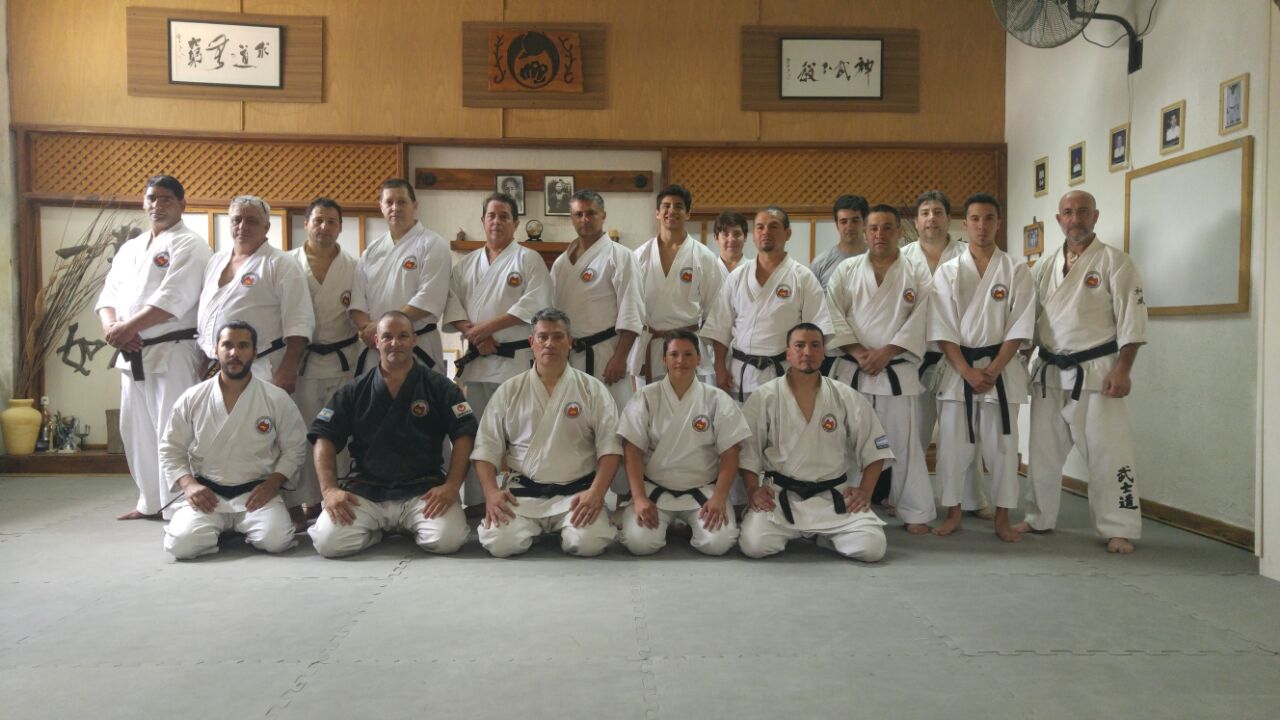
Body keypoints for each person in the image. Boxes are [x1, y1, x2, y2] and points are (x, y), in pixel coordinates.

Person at [1018, 190, 1147, 554]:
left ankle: (1118, 527)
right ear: (1059, 219)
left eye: (1083, 211)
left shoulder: (1116, 262)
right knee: (1041, 451)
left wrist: (1123, 369)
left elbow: (1132, 320)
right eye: (1068, 212)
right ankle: (1038, 517)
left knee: (1108, 452)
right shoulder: (1044, 266)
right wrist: (1020, 358)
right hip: (1048, 371)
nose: (1075, 219)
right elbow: (1031, 320)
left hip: (1096, 371)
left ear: (1095, 216)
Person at [307, 311, 476, 557]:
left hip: (422, 490)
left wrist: (451, 485)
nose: (395, 343)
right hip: (367, 491)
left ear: (414, 340)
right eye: (387, 337)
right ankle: (378, 531)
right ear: (376, 341)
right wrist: (329, 490)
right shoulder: (355, 389)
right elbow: (324, 436)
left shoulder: (439, 387)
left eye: (403, 336)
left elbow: (464, 434)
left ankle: (406, 525)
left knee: (448, 540)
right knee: (328, 542)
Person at [96, 174, 211, 520]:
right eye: (152, 198)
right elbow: (108, 295)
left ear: (182, 205)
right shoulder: (131, 248)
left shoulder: (191, 245)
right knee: (135, 430)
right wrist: (112, 328)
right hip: (131, 352)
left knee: (173, 430)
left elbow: (174, 298)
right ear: (143, 203)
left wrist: (127, 328)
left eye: (166, 199)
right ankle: (149, 501)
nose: (157, 205)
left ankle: (179, 504)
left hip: (172, 350)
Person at [929, 194, 1035, 542]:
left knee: (1003, 448)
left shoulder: (1016, 270)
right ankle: (954, 513)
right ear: (965, 224)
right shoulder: (948, 271)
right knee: (952, 448)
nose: (982, 226)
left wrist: (993, 370)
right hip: (958, 370)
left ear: (998, 223)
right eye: (975, 219)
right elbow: (942, 327)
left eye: (989, 218)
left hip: (1001, 373)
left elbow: (1020, 326)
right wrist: (967, 371)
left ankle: (1002, 518)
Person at [472, 308, 621, 557]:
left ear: (570, 342)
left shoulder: (592, 389)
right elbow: (485, 448)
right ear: (532, 342)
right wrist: (491, 493)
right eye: (543, 337)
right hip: (522, 495)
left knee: (589, 543)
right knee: (500, 543)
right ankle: (530, 526)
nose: (549, 343)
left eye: (558, 336)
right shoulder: (510, 390)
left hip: (577, 495)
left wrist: (596, 493)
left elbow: (611, 447)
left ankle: (565, 526)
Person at [738, 323, 893, 561]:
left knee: (872, 548)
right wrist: (753, 491)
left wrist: (865, 491)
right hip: (780, 495)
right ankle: (813, 533)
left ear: (824, 352)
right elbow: (748, 451)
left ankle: (822, 536)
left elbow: (875, 447)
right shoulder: (764, 396)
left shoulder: (845, 395)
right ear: (788, 353)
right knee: (754, 545)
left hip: (833, 496)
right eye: (799, 346)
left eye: (815, 346)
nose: (807, 352)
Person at [825, 204, 936, 533]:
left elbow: (923, 317)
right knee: (847, 442)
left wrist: (887, 352)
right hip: (853, 369)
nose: (879, 234)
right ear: (865, 232)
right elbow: (832, 313)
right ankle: (845, 505)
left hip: (896, 371)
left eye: (887, 227)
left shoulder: (916, 272)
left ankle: (914, 510)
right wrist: (859, 352)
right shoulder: (846, 271)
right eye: (873, 228)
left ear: (899, 231)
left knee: (904, 444)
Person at [160, 321, 306, 559]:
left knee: (277, 540)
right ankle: (221, 528)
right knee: (181, 546)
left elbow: (295, 448)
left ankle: (228, 529)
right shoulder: (193, 397)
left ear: (255, 352)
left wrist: (273, 483)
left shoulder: (275, 398)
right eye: (227, 345)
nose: (234, 353)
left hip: (256, 495)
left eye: (243, 346)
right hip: (208, 495)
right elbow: (170, 447)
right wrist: (188, 485)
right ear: (216, 350)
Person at [444, 193, 552, 504]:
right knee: (479, 432)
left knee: (521, 433)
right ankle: (479, 500)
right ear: (483, 221)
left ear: (515, 223)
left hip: (514, 361)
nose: (496, 222)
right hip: (478, 362)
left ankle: (523, 498)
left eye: (504, 216)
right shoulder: (465, 265)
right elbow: (452, 304)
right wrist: (476, 335)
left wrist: (486, 329)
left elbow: (536, 303)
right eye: (491, 216)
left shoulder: (528, 259)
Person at [617, 330, 750, 556]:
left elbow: (730, 453)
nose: (681, 360)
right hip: (654, 490)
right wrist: (638, 498)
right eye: (674, 354)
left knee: (717, 544)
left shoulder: (716, 399)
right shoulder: (646, 397)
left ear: (699, 359)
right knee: (640, 544)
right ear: (664, 359)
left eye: (688, 354)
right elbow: (632, 450)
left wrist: (719, 497)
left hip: (704, 491)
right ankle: (671, 525)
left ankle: (686, 526)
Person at [901, 190, 991, 519]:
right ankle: (909, 499)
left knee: (965, 433)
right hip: (917, 357)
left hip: (960, 357)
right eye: (925, 212)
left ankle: (973, 499)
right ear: (916, 221)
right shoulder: (902, 257)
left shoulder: (969, 255)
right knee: (914, 433)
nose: (931, 218)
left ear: (949, 219)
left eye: (938, 212)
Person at [703, 206, 831, 403]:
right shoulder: (737, 277)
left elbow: (816, 331)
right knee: (742, 423)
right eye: (760, 227)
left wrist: (807, 373)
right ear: (753, 235)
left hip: (784, 374)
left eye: (773, 226)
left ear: (788, 233)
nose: (766, 232)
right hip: (740, 375)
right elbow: (720, 328)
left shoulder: (803, 277)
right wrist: (720, 368)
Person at [286, 198, 359, 531]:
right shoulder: (287, 263)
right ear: (306, 224)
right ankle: (308, 500)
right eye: (318, 221)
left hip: (344, 360)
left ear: (340, 227)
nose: (324, 227)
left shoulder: (354, 266)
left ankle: (339, 494)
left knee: (342, 431)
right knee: (303, 431)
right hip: (302, 360)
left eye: (331, 222)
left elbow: (360, 311)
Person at [196, 195, 313, 392]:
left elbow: (299, 321)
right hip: (215, 365)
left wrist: (288, 369)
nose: (242, 226)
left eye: (251, 221)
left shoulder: (281, 263)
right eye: (237, 220)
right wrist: (204, 357)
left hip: (261, 366)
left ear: (266, 227)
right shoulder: (216, 261)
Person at [550, 189, 644, 412]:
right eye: (578, 214)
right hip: (569, 356)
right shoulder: (561, 263)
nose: (585, 219)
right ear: (572, 218)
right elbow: (552, 311)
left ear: (603, 215)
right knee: (573, 420)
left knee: (612, 417)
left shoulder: (621, 256)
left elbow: (632, 311)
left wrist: (620, 358)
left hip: (606, 355)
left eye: (591, 213)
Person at [349, 179, 451, 374]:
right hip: (375, 345)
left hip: (417, 344)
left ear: (415, 205)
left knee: (419, 393)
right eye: (389, 202)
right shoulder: (371, 251)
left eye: (402, 202)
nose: (395, 208)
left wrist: (382, 328)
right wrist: (368, 330)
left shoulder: (433, 244)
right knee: (375, 393)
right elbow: (357, 300)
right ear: (381, 207)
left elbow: (428, 297)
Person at [630, 185, 726, 386]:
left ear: (688, 213)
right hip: (651, 346)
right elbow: (629, 309)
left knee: (691, 404)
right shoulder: (639, 256)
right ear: (657, 212)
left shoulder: (704, 257)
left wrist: (719, 363)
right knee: (650, 404)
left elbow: (716, 314)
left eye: (678, 206)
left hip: (688, 347)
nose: (671, 210)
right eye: (666, 206)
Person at [810, 194, 869, 289]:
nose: (849, 227)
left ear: (865, 223)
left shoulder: (879, 259)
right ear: (837, 225)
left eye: (855, 221)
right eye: (844, 222)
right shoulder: (820, 264)